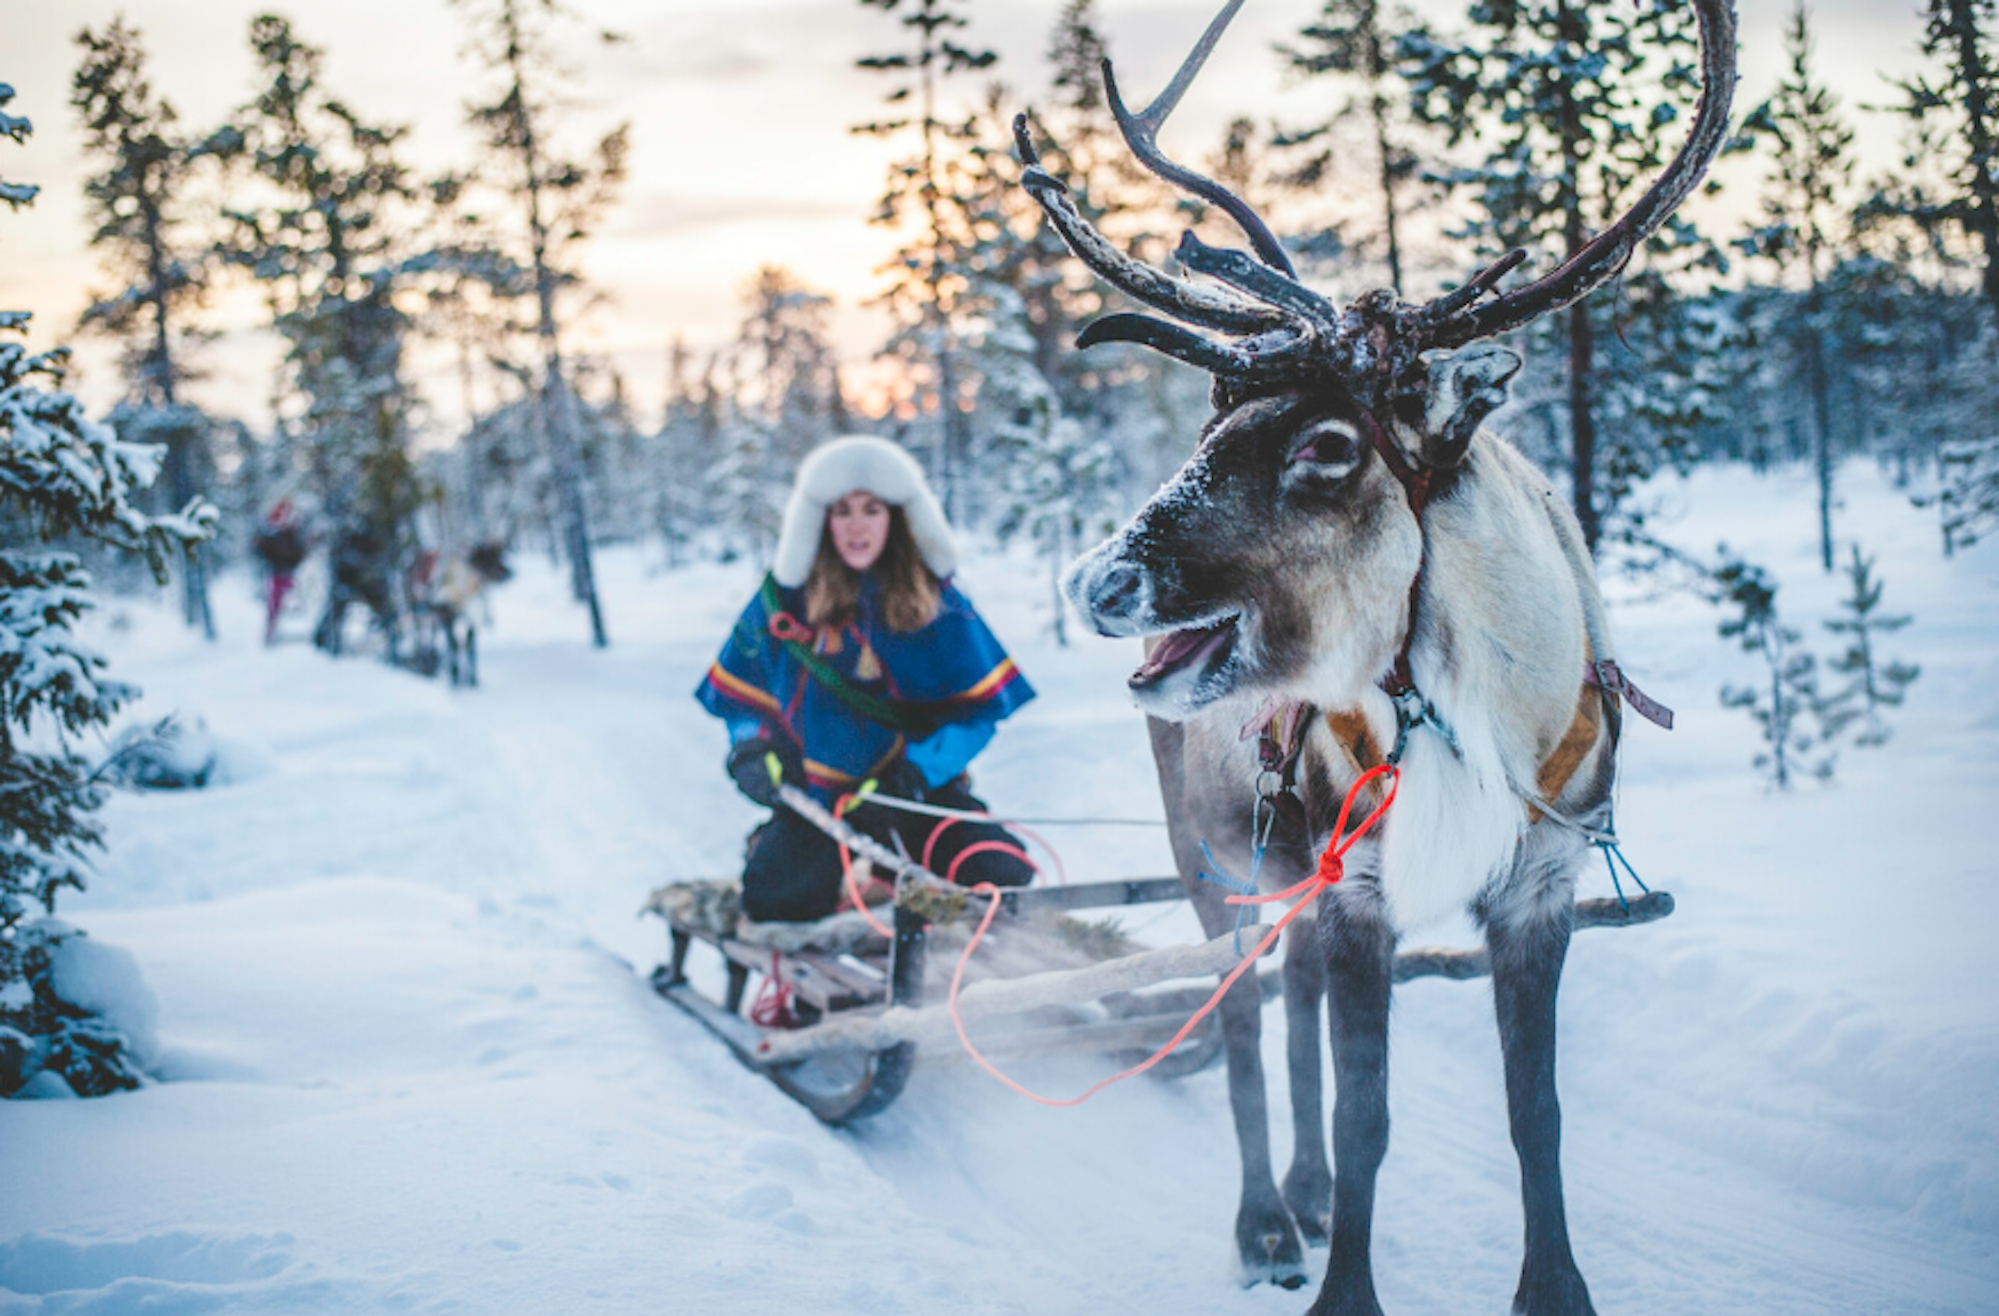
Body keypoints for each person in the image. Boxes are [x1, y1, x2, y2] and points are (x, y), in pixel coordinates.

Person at [696, 436, 1038, 924]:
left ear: (896, 518)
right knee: (778, 901)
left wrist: (919, 773)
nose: (857, 525)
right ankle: (795, 856)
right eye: (842, 511)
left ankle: (883, 882)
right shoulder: (780, 602)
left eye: (872, 509)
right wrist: (750, 748)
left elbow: (978, 714)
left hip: (917, 795)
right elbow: (742, 703)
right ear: (820, 520)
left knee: (999, 875)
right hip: (816, 799)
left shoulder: (941, 605)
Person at [250, 499, 308, 646]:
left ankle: (287, 630)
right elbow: (262, 551)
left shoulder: (294, 535)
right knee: (275, 604)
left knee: (292, 602)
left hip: (290, 573)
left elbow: (299, 553)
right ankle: (271, 632)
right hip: (277, 574)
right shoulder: (274, 535)